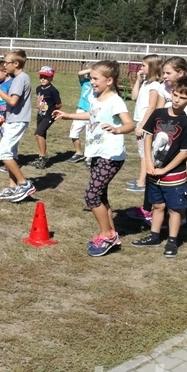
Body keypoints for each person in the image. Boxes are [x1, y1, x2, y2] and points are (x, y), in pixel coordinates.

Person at [54, 61, 135, 257]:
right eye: (91, 77)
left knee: (91, 196)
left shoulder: (115, 101)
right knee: (100, 196)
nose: (91, 81)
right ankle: (111, 233)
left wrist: (117, 129)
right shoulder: (96, 97)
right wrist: (68, 116)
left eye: (95, 78)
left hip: (111, 155)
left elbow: (130, 124)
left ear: (109, 81)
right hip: (97, 153)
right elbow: (92, 115)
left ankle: (107, 235)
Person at [131, 76, 187, 257]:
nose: (176, 100)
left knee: (174, 209)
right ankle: (154, 236)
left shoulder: (186, 123)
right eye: (175, 95)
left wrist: (164, 170)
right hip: (154, 171)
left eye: (182, 98)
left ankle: (172, 241)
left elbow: (184, 152)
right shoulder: (158, 113)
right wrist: (149, 163)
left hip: (173, 175)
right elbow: (148, 137)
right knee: (157, 206)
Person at [0, 50, 35, 202]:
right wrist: (4, 117)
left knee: (3, 153)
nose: (5, 65)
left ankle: (24, 184)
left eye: (7, 63)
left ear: (16, 64)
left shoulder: (19, 79)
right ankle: (13, 187)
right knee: (10, 153)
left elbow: (12, 101)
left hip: (18, 121)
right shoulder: (19, 78)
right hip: (12, 119)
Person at [126, 55, 164, 192]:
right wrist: (138, 80)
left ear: (152, 67)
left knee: (145, 154)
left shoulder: (155, 86)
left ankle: (142, 183)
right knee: (142, 153)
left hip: (146, 123)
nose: (141, 68)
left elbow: (152, 107)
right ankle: (140, 179)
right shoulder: (146, 83)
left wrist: (143, 126)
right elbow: (133, 97)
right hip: (140, 121)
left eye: (143, 65)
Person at [32, 65, 62, 169]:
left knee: (38, 134)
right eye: (41, 77)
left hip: (49, 116)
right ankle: (40, 156)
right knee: (42, 135)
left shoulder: (53, 91)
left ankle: (43, 157)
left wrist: (52, 112)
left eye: (46, 77)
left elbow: (58, 104)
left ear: (51, 78)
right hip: (40, 114)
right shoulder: (38, 88)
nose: (43, 79)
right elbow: (39, 99)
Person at [67, 66, 93, 164]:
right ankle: (78, 153)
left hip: (92, 113)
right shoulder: (85, 82)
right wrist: (91, 69)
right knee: (73, 133)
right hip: (81, 111)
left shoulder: (99, 85)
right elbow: (79, 73)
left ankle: (89, 157)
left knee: (90, 136)